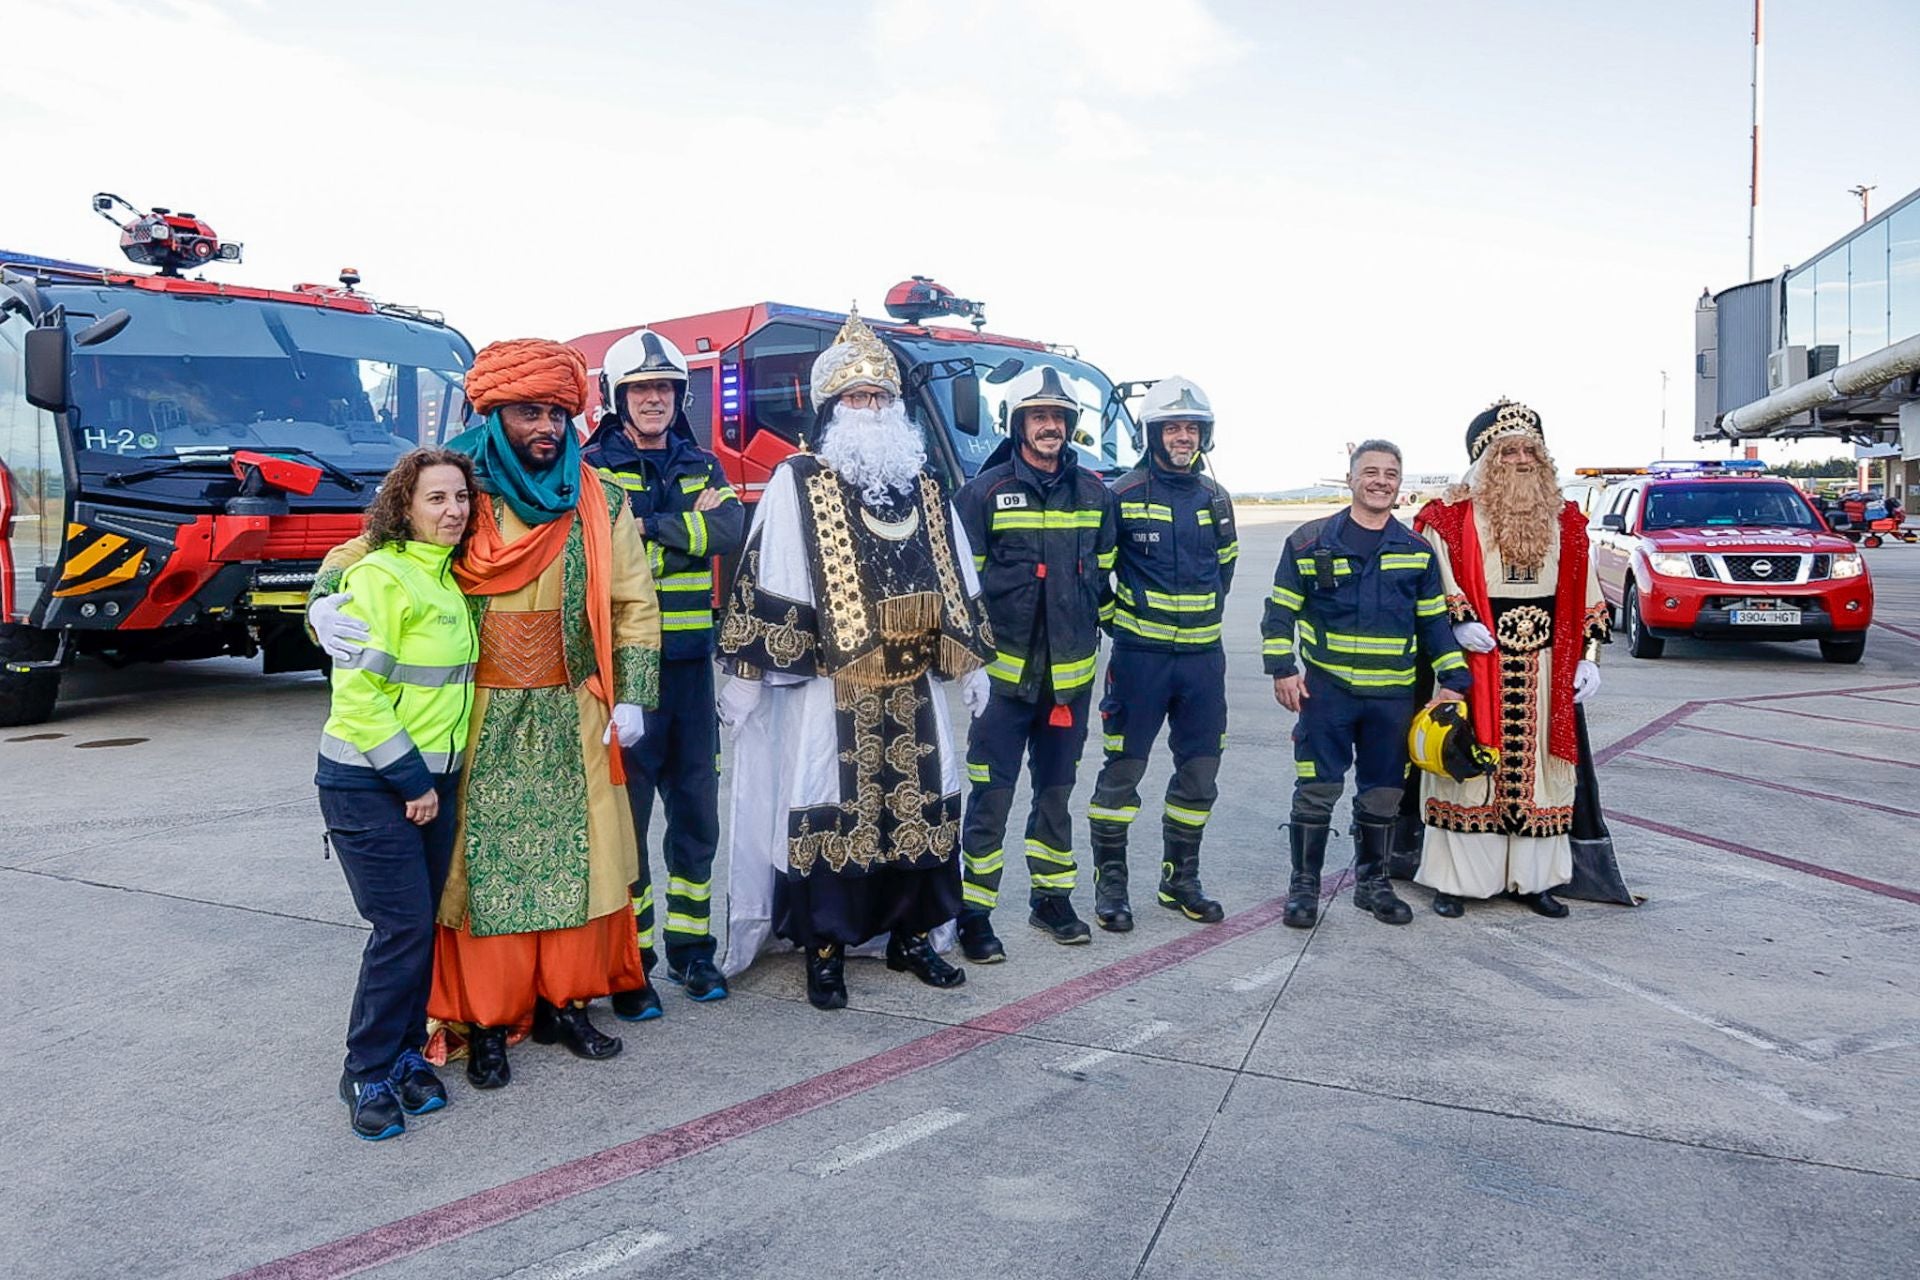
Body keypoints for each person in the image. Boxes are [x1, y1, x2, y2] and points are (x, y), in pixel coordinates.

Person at [310, 338, 662, 1086]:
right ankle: (487, 1018)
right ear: (496, 413)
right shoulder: (454, 491)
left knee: (582, 868)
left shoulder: (602, 498)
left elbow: (634, 603)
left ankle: (568, 1003)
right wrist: (321, 607)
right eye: (529, 412)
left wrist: (632, 693)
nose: (546, 427)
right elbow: (360, 554)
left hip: (571, 711)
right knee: (479, 877)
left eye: (557, 414)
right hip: (479, 715)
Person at [715, 308, 994, 1010]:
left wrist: (972, 664)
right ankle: (827, 950)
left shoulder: (926, 484)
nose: (869, 409)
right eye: (856, 398)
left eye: (879, 398)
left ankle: (910, 938)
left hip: (914, 685)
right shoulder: (798, 480)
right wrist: (750, 671)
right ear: (831, 408)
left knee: (924, 811)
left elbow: (956, 572)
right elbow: (770, 567)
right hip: (829, 687)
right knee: (829, 813)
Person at [317, 447, 478, 1141]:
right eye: (436, 499)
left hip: (429, 784)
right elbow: (357, 699)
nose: (453, 511)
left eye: (461, 498)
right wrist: (412, 783)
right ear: (404, 508)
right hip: (369, 782)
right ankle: (366, 1068)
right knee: (402, 928)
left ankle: (408, 1050)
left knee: (420, 928)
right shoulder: (381, 576)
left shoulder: (446, 582)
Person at [583, 329, 745, 1016]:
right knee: (626, 822)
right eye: (641, 389)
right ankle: (632, 963)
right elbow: (602, 546)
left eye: (665, 389)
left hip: (690, 671)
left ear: (678, 396)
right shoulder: (590, 468)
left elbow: (733, 532)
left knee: (696, 818)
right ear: (617, 398)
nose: (654, 400)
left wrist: (648, 526)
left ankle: (692, 953)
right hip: (623, 674)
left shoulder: (702, 462)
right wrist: (683, 525)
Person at [1261, 439, 1470, 928]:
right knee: (1317, 788)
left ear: (1400, 484)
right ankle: (1304, 887)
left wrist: (1453, 680)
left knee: (1382, 794)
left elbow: (1435, 625)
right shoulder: (1308, 542)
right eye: (1370, 472)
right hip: (1326, 693)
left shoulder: (1415, 552)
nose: (1380, 481)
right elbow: (1279, 613)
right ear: (1352, 478)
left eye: (1390, 474)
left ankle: (1372, 884)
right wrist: (1282, 668)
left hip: (1392, 698)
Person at [1410, 401, 1607, 917]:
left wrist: (1588, 657)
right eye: (1508, 451)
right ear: (1483, 461)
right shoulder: (1449, 518)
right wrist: (1457, 622)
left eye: (1530, 451)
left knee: (1540, 768)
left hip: (1544, 667)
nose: (1521, 460)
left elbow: (1586, 592)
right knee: (1467, 768)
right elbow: (1433, 583)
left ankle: (1534, 879)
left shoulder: (1567, 519)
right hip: (1476, 661)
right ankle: (1457, 882)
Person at [949, 366, 1117, 960]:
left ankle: (1051, 900)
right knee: (989, 797)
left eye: (1059, 417)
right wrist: (966, 665)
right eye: (1038, 416)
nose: (1051, 426)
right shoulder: (984, 492)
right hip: (1002, 684)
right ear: (1017, 423)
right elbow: (959, 589)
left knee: (1055, 793)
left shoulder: (1096, 494)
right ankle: (973, 912)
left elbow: (1107, 581)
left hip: (1067, 685)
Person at [1085, 377, 1238, 931]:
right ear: (1152, 434)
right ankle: (1112, 888)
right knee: (1121, 775)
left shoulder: (1216, 499)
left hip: (1202, 664)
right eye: (1172, 427)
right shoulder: (1120, 495)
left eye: (1191, 428)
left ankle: (1181, 880)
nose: (1182, 437)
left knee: (1200, 775)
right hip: (1140, 663)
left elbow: (1225, 568)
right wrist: (1123, 625)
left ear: (1204, 435)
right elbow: (1096, 575)